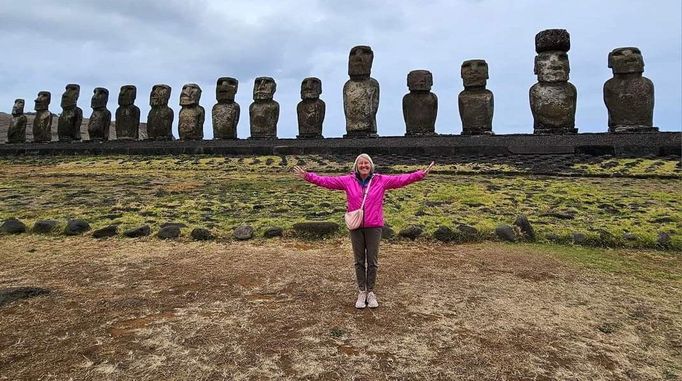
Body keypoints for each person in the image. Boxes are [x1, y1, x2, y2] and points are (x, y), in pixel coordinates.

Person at [293, 153, 434, 309]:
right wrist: (308, 176)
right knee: (359, 261)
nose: (364, 166)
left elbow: (401, 179)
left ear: (371, 165)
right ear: (356, 166)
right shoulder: (348, 180)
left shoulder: (381, 180)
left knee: (372, 261)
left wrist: (420, 174)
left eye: (366, 163)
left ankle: (371, 292)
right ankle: (362, 291)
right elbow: (327, 181)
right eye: (361, 163)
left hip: (374, 225)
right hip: (356, 225)